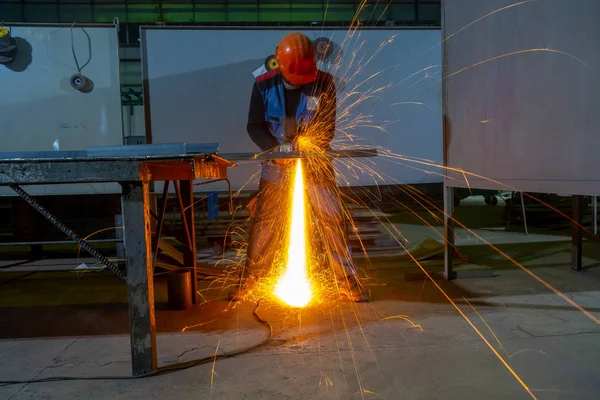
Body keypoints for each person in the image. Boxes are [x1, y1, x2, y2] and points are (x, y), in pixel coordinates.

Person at [230, 32, 368, 303]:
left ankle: (346, 279)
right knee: (266, 222)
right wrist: (274, 150)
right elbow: (254, 126)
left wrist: (310, 147)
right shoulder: (263, 84)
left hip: (315, 162)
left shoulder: (324, 82)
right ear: (279, 65)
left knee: (332, 219)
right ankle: (252, 278)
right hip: (275, 164)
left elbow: (327, 127)